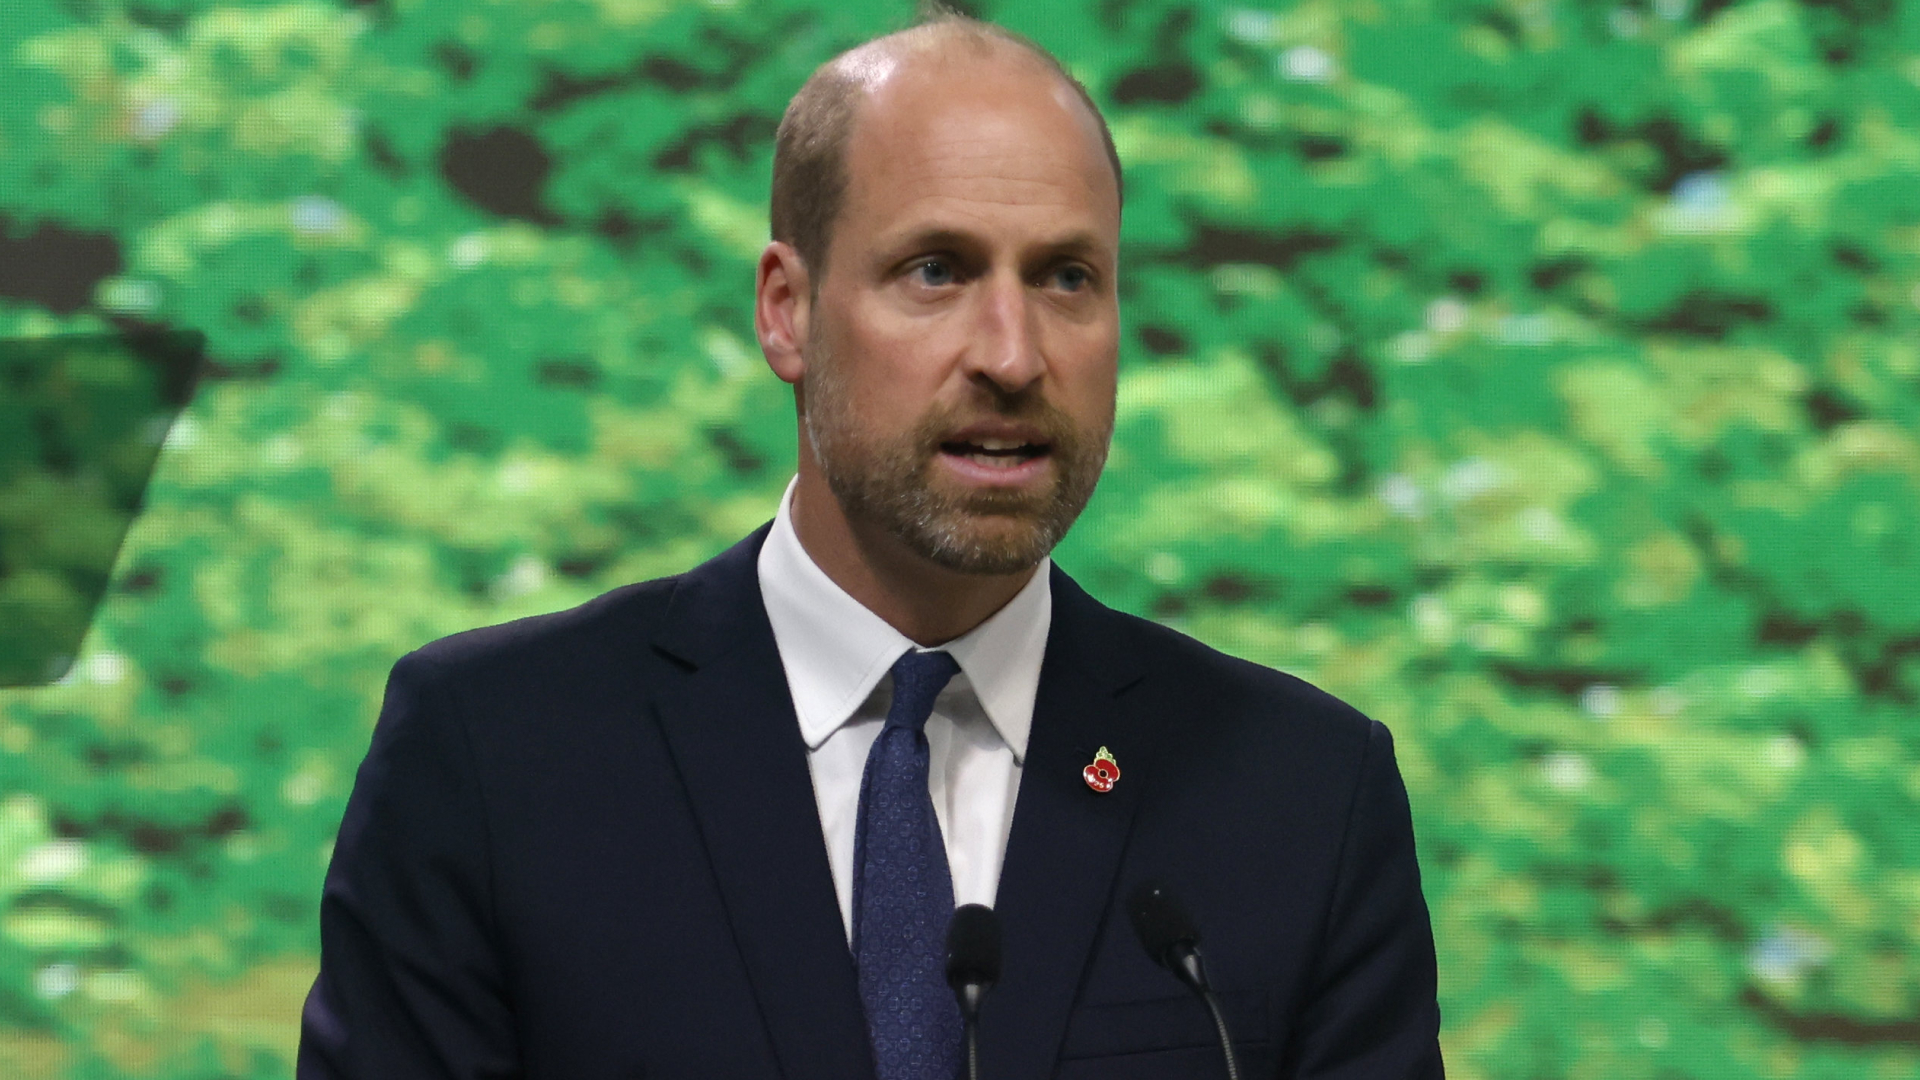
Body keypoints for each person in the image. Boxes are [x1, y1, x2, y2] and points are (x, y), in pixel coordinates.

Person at [299, 12, 1443, 1080]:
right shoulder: (495, 755)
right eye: (936, 270)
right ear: (786, 311)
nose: (1013, 355)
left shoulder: (1303, 794)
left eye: (1067, 278)